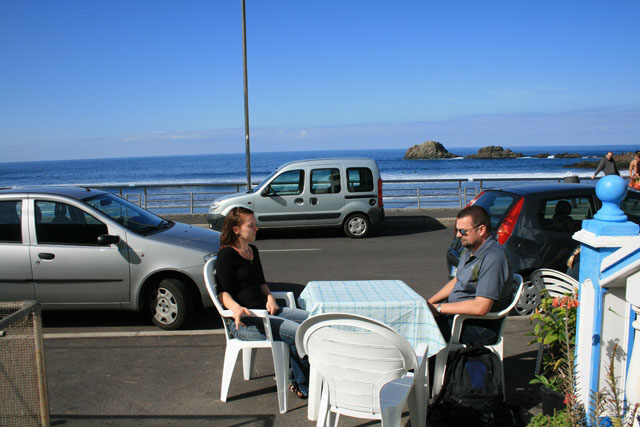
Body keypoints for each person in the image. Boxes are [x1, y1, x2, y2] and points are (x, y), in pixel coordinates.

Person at [216, 206, 310, 398]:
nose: (256, 228)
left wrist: (269, 297)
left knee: (311, 321)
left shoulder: (253, 251)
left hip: (266, 313)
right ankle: (303, 385)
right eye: (251, 226)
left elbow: (261, 282)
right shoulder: (227, 255)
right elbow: (222, 292)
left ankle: (297, 378)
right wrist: (235, 308)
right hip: (247, 323)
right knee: (299, 333)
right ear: (236, 230)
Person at [428, 205, 513, 346]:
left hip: (479, 327)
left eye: (463, 231)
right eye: (457, 230)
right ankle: (430, 366)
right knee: (419, 322)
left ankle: (432, 367)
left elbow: (481, 307)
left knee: (422, 331)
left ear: (481, 230)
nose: (458, 235)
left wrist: (438, 309)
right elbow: (458, 280)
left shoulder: (492, 258)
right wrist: (429, 304)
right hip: (460, 318)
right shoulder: (470, 251)